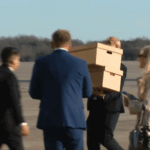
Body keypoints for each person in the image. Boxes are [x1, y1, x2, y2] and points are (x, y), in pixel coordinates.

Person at [29, 29, 93, 150]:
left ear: (52, 44)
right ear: (70, 45)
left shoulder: (41, 62)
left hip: (50, 119)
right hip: (75, 119)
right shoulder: (81, 63)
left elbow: (34, 93)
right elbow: (88, 92)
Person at [86, 37, 127, 150]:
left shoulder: (121, 67)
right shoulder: (99, 65)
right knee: (92, 139)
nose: (107, 46)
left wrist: (103, 95)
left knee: (106, 138)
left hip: (111, 107)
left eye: (110, 44)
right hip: (95, 105)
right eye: (106, 44)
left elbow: (117, 89)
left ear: (118, 47)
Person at [0, 47, 30, 150]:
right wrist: (22, 122)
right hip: (8, 125)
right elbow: (14, 101)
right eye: (19, 59)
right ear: (13, 60)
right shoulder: (10, 77)